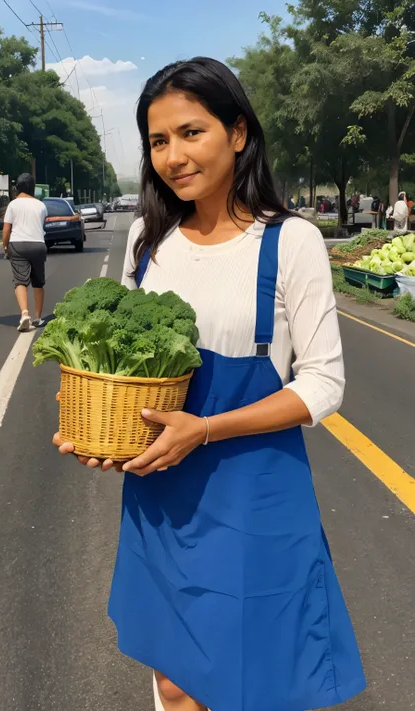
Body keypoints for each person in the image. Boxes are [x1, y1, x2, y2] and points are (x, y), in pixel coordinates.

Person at [54, 57, 366, 711]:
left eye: (191, 132)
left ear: (239, 133)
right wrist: (100, 429)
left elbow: (323, 384)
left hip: (252, 498)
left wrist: (207, 428)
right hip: (162, 497)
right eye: (158, 141)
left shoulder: (290, 242)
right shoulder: (148, 237)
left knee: (248, 681)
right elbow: (133, 371)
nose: (172, 155)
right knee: (174, 678)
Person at [2, 173, 48, 331]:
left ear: (17, 188)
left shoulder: (13, 205)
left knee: (20, 281)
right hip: (38, 245)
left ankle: (24, 314)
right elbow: (41, 226)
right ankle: (39, 317)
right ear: (32, 188)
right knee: (38, 282)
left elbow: (6, 229)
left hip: (18, 245)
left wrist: (6, 247)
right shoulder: (41, 205)